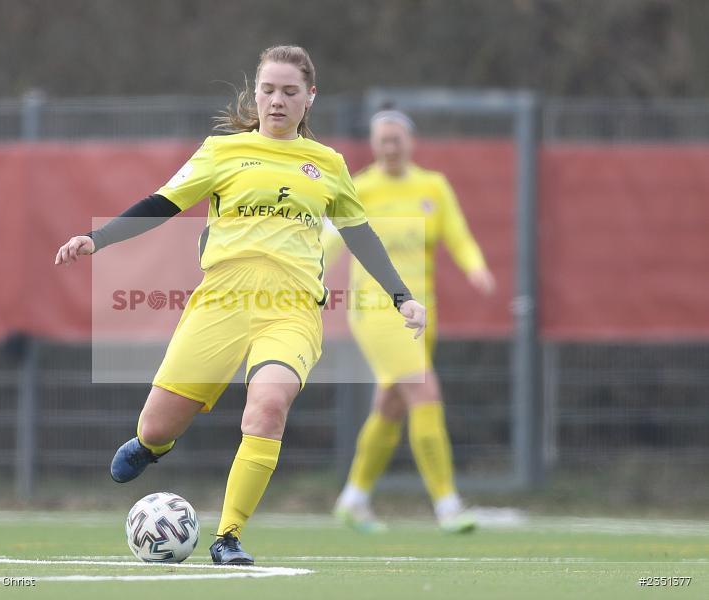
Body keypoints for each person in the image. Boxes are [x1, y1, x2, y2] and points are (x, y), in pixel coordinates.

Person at [55, 46, 427, 565]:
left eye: (290, 92)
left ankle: (227, 536)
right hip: (220, 305)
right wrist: (98, 238)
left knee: (268, 407)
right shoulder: (222, 151)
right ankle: (153, 446)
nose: (277, 101)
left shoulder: (328, 165)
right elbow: (163, 203)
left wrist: (403, 298)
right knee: (158, 426)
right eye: (268, 90)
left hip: (291, 310)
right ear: (256, 93)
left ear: (309, 97)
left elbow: (360, 235)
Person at [327, 109, 495, 534]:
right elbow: (330, 241)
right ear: (373, 143)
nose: (389, 146)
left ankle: (353, 500)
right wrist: (307, 279)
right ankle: (447, 504)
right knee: (423, 389)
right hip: (376, 310)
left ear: (410, 142)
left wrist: (475, 267)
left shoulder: (432, 186)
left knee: (392, 403)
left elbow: (458, 235)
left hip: (422, 312)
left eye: (396, 139)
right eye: (382, 139)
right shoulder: (359, 188)